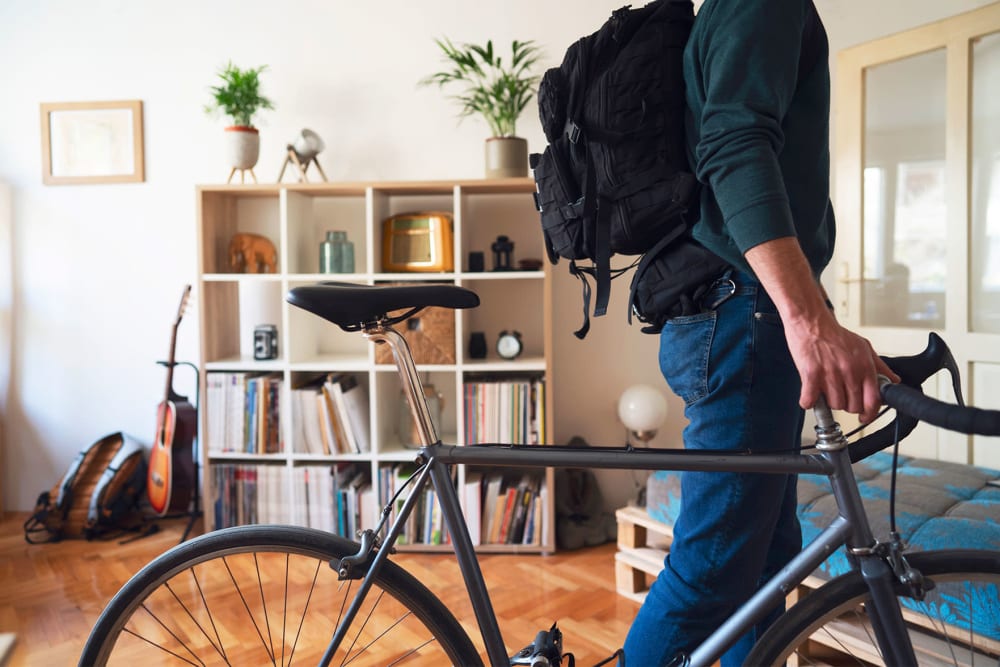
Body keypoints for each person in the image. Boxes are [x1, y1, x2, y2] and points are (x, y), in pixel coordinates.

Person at [621, 0, 900, 664]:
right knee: (714, 569)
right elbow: (733, 142)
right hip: (742, 315)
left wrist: (815, 320)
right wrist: (807, 320)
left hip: (733, 311)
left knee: (765, 561)